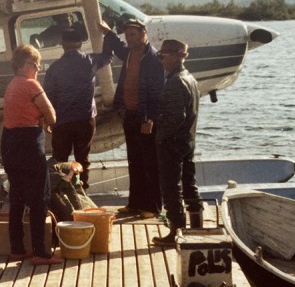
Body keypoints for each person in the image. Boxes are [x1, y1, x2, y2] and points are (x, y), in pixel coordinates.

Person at [1, 44, 63, 265]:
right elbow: (52, 115)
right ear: (24, 65)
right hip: (28, 142)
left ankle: (17, 249)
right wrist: (45, 119)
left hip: (9, 142)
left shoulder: (12, 85)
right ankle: (40, 252)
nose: (38, 68)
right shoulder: (30, 84)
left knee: (16, 197)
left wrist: (40, 118)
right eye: (34, 63)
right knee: (39, 197)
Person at [99, 17, 165, 218]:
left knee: (149, 162)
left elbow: (156, 92)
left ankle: (153, 207)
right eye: (127, 35)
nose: (129, 38)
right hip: (130, 115)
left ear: (144, 34)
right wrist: (108, 33)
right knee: (134, 161)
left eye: (133, 35)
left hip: (144, 118)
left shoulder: (153, 58)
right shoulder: (129, 53)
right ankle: (135, 203)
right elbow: (118, 47)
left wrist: (150, 119)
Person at [43, 26, 112, 189]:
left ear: (63, 44)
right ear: (80, 44)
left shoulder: (54, 68)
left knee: (59, 159)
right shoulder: (90, 61)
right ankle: (82, 189)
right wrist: (109, 35)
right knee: (83, 158)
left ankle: (60, 190)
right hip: (85, 119)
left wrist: (47, 120)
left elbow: (48, 96)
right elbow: (108, 56)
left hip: (62, 122)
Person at [153, 39, 203, 246]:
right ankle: (197, 226)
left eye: (163, 56)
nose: (161, 60)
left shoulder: (174, 82)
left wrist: (160, 137)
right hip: (188, 140)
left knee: (171, 187)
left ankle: (176, 231)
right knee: (189, 183)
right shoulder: (189, 78)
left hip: (173, 142)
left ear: (175, 57)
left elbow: (176, 117)